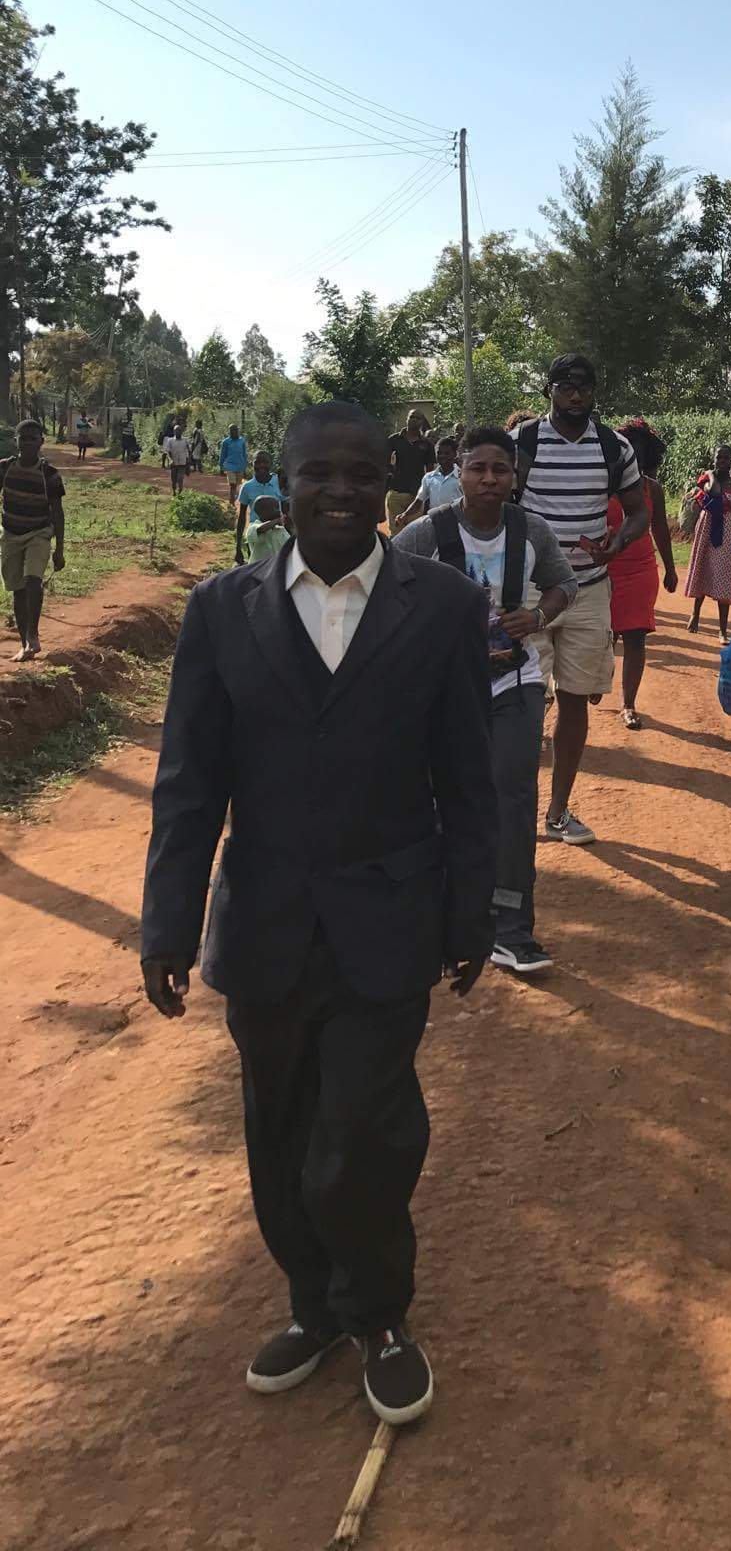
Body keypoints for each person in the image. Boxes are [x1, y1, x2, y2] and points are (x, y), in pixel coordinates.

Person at [139, 401, 497, 1425]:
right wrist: (167, 922)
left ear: (389, 483)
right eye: (318, 474)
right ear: (281, 486)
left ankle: (379, 1314)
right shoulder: (220, 609)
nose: (341, 491)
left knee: (364, 1135)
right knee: (281, 1133)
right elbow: (189, 782)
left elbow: (469, 777)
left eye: (362, 474)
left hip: (390, 919)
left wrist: (472, 912)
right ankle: (315, 1304)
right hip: (265, 925)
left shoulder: (442, 605)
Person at [395, 425, 577, 974]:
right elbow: (384, 587)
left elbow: (564, 584)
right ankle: (441, 918)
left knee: (513, 800)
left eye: (501, 469)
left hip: (514, 682)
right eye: (478, 468)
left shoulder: (531, 531)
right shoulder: (427, 534)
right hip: (444, 693)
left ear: (515, 476)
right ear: (460, 474)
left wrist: (538, 616)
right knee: (440, 799)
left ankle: (512, 930)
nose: (490, 479)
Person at [515, 354, 648, 843]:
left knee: (575, 702)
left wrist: (620, 540)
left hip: (589, 591)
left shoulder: (614, 447)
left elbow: (637, 513)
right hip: (528, 590)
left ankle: (557, 813)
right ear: (548, 390)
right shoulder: (522, 442)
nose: (576, 395)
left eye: (585, 387)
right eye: (566, 387)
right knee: (522, 702)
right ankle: (515, 813)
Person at [606, 419, 677, 730]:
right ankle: (597, 680)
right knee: (604, 635)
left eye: (638, 449)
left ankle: (628, 704)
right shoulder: (601, 485)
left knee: (635, 637)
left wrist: (671, 569)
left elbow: (660, 529)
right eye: (627, 448)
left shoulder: (652, 489)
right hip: (604, 570)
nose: (632, 454)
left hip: (640, 570)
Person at [1, 419, 65, 661]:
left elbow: (57, 512)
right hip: (10, 534)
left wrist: (59, 549)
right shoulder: (5, 468)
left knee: (33, 580)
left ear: (41, 442)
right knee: (17, 589)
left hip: (39, 533)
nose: (27, 443)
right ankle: (24, 644)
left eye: (33, 438)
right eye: (23, 438)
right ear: (16, 441)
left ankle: (33, 634)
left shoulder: (49, 474)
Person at [683, 444, 731, 636]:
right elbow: (713, 491)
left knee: (723, 573)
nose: (721, 461)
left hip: (727, 529)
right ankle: (695, 613)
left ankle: (722, 629)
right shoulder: (707, 480)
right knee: (703, 567)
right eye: (718, 458)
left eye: (725, 458)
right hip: (706, 525)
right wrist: (710, 473)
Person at [394, 436, 462, 529]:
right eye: (439, 453)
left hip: (457, 525)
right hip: (435, 524)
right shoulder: (429, 477)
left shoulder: (462, 477)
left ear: (455, 454)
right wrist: (405, 514)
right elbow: (418, 501)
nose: (442, 456)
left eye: (447, 453)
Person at [384, 412, 433, 534]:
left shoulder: (426, 444)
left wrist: (425, 494)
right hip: (396, 494)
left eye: (417, 418)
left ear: (422, 422)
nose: (414, 420)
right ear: (406, 419)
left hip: (416, 498)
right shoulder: (393, 440)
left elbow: (430, 471)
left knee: (413, 533)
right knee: (396, 533)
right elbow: (384, 464)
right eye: (411, 417)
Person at [235, 450, 285, 564]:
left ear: (271, 464)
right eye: (257, 462)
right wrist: (238, 547)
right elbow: (242, 517)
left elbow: (288, 506)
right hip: (257, 536)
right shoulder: (247, 487)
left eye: (265, 462)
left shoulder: (279, 482)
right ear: (252, 463)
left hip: (278, 533)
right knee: (256, 566)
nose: (261, 465)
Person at [244, 494, 290, 564]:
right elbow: (260, 529)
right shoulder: (253, 527)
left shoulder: (280, 529)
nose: (279, 511)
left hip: (277, 567)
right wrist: (277, 521)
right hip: (259, 568)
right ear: (263, 511)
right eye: (275, 508)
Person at [219, 423, 250, 503]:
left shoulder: (242, 441)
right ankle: (231, 503)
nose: (233, 432)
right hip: (230, 466)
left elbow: (244, 455)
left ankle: (234, 498)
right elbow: (222, 455)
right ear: (229, 432)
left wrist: (245, 468)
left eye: (235, 430)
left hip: (240, 466)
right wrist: (221, 467)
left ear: (238, 431)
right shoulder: (226, 442)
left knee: (237, 484)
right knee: (232, 484)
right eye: (231, 430)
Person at [164, 425, 192, 495]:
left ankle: (180, 493)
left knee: (180, 478)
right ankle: (174, 492)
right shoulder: (170, 440)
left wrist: (188, 460)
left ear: (181, 431)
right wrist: (171, 460)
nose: (177, 432)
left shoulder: (185, 440)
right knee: (173, 480)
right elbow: (168, 451)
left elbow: (189, 450)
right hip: (174, 463)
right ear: (174, 431)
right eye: (176, 430)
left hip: (182, 463)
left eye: (179, 430)